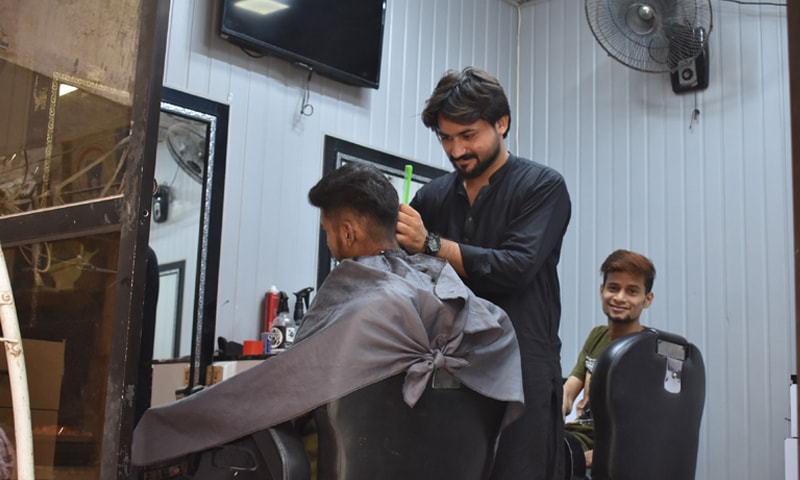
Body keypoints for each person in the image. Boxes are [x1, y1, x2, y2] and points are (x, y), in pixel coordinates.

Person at [131, 161, 524, 474]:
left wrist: (166, 425)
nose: (330, 242)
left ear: (349, 233)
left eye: (328, 231)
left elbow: (285, 392)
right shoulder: (453, 299)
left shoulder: (360, 297)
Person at [396, 66, 572, 480]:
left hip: (522, 363)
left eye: (468, 135)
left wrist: (433, 244)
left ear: (502, 123)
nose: (456, 150)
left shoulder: (543, 187)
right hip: (451, 364)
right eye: (446, 138)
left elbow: (515, 268)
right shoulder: (432, 197)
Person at [562, 249, 656, 468]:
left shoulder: (648, 349)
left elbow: (644, 427)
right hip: (571, 438)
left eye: (632, 291)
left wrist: (600, 457)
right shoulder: (597, 336)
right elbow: (568, 391)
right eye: (613, 288)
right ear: (602, 290)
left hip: (604, 449)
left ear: (647, 299)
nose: (620, 298)